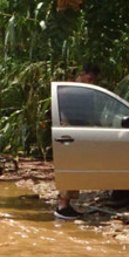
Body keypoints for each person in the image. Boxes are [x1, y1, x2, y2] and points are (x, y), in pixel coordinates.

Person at [55, 63, 101, 220]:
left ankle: (64, 203)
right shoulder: (72, 91)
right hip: (70, 135)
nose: (91, 82)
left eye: (94, 80)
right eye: (90, 78)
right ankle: (63, 205)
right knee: (71, 170)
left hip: (72, 134)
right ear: (82, 74)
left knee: (72, 170)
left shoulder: (79, 91)